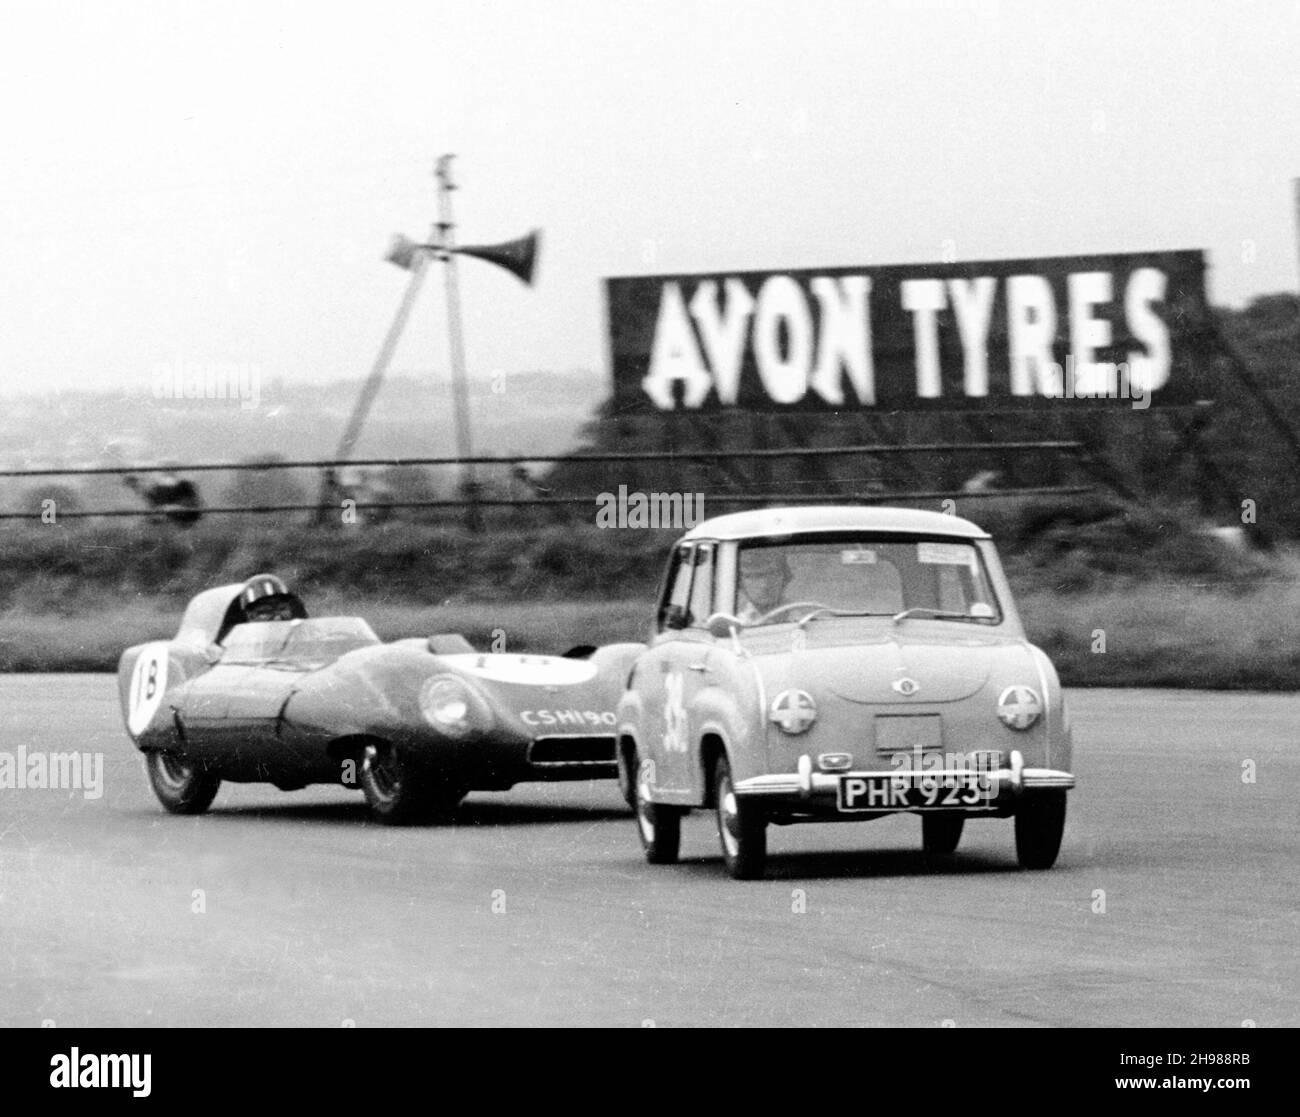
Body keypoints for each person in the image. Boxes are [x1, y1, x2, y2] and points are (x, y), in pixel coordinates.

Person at [736, 548, 792, 623]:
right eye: (754, 577)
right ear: (741, 583)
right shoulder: (735, 623)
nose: (764, 585)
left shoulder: (807, 615)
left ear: (785, 577)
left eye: (772, 574)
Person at [237, 573, 307, 624]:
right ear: (250, 616)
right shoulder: (238, 643)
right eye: (266, 611)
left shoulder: (303, 639)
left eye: (282, 609)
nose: (278, 618)